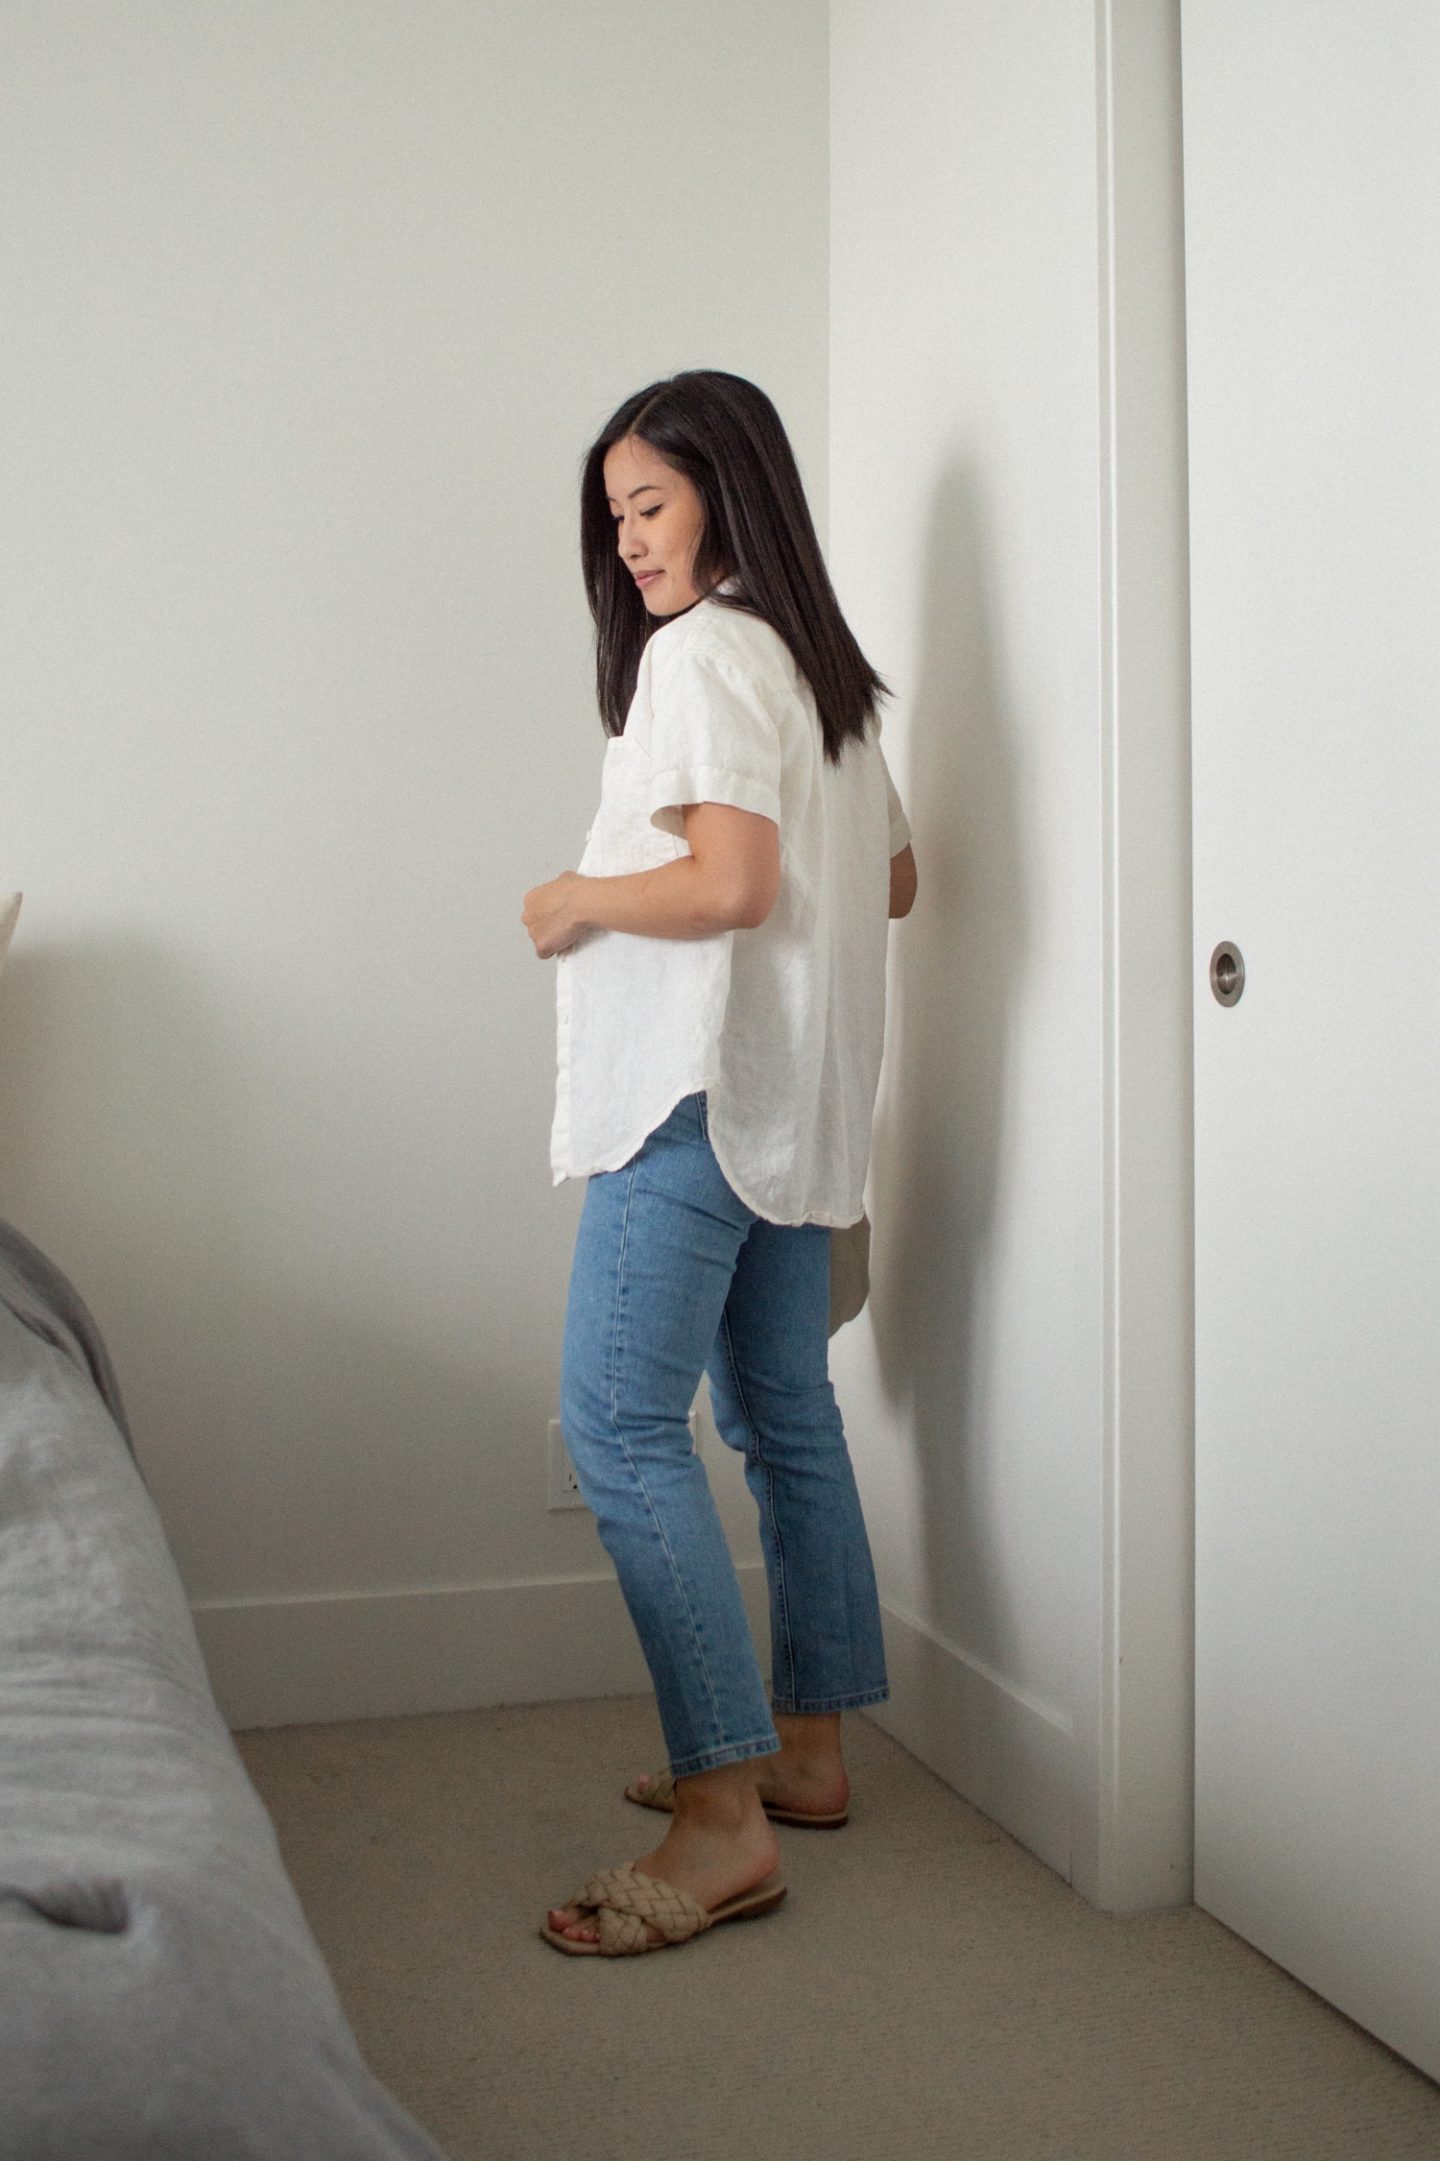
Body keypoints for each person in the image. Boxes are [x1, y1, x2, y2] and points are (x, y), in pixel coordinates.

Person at [521, 369, 918, 1957]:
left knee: (618, 1423)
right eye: (613, 515)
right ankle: (808, 1751)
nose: (627, 542)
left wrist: (577, 896)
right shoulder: (827, 674)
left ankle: (724, 1815)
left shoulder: (699, 657)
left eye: (652, 504)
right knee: (780, 1412)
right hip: (798, 1112)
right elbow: (890, 878)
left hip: (690, 1099)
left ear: (728, 494)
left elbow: (736, 886)